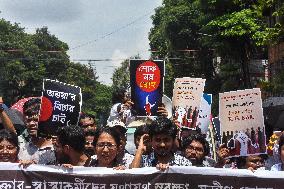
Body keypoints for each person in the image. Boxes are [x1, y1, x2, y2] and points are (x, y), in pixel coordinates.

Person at [17, 98, 55, 165]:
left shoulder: (57, 149)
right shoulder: (21, 148)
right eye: (28, 120)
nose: (31, 123)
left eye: (36, 120)